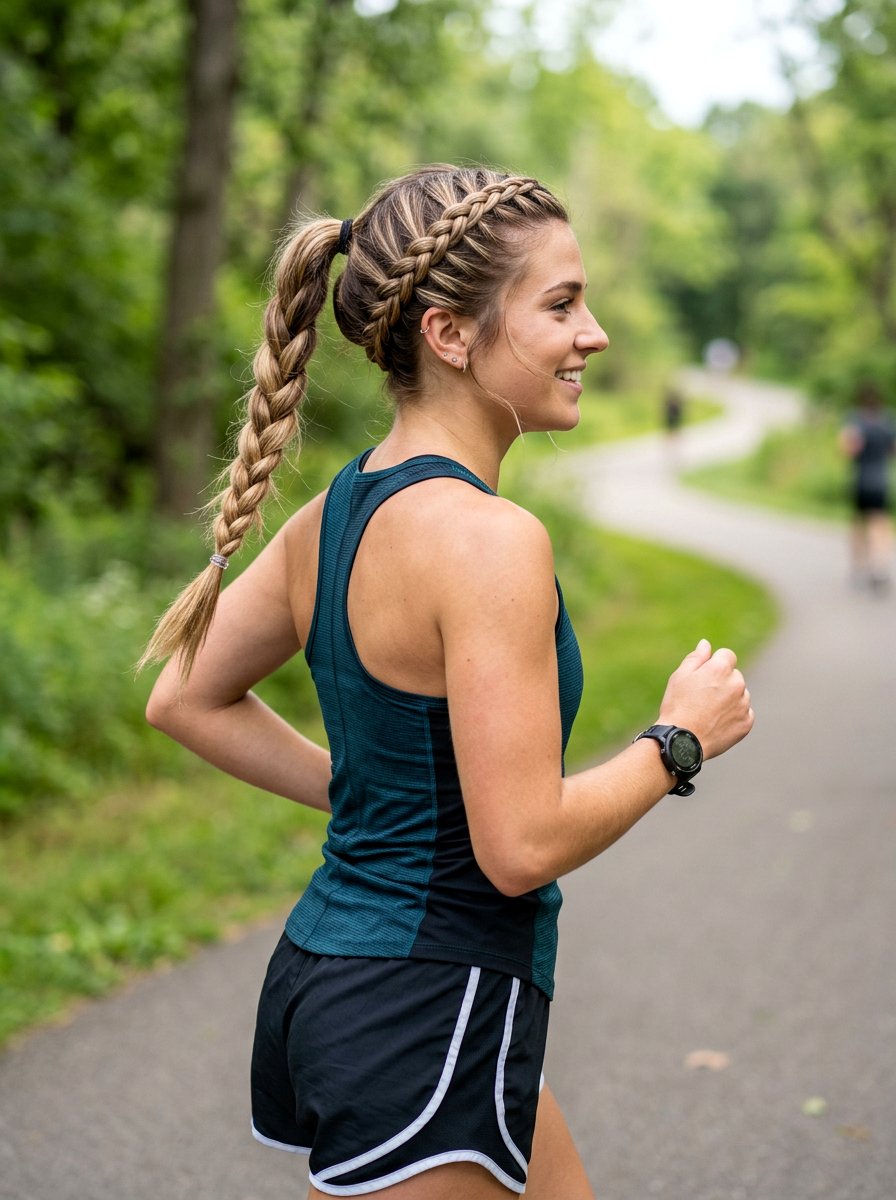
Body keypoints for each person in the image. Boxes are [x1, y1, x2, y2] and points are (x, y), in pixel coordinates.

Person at [143, 165, 754, 1199]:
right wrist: (673, 744)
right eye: (559, 304)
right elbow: (517, 848)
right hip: (424, 1008)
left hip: (343, 980)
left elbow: (181, 696)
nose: (593, 333)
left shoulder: (335, 514)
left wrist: (366, 793)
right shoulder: (486, 542)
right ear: (448, 335)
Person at [839, 381, 895, 592]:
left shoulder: (855, 420)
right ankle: (879, 567)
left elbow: (848, 449)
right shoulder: (887, 422)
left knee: (858, 524)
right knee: (879, 523)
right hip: (881, 481)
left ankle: (858, 566)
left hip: (860, 480)